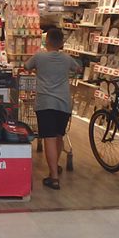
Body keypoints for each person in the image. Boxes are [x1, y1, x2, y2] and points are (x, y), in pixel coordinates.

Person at [23, 27, 82, 190]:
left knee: (48, 138)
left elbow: (26, 66)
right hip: (63, 103)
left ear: (46, 41)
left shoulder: (39, 56)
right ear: (61, 43)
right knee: (58, 136)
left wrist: (38, 70)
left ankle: (54, 177)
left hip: (45, 103)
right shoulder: (67, 59)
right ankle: (54, 167)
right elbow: (78, 69)